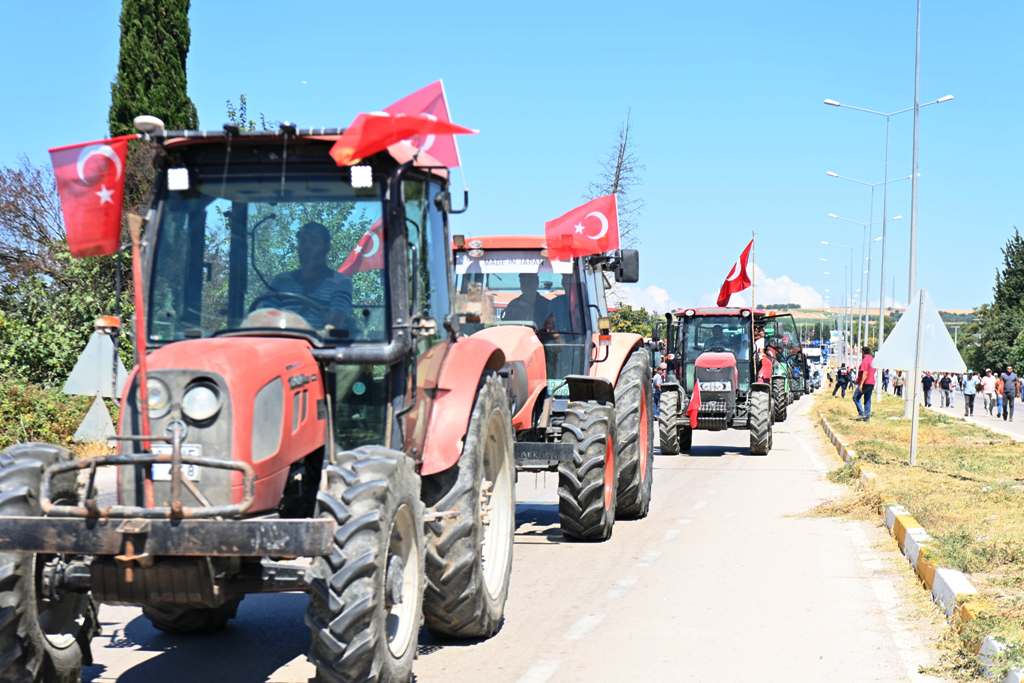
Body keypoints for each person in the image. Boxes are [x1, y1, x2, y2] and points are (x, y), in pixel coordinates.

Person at [264, 221, 353, 330]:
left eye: (314, 241)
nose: (307, 246)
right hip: (282, 342)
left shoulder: (340, 282)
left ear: (326, 248)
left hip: (321, 345)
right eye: (303, 241)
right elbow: (265, 316)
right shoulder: (281, 281)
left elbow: (335, 322)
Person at [852, 345, 876, 421]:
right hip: (871, 383)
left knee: (856, 397)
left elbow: (865, 373)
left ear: (863, 352)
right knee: (867, 399)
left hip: (865, 383)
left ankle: (861, 413)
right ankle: (867, 416)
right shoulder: (872, 359)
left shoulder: (865, 360)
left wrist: (861, 384)